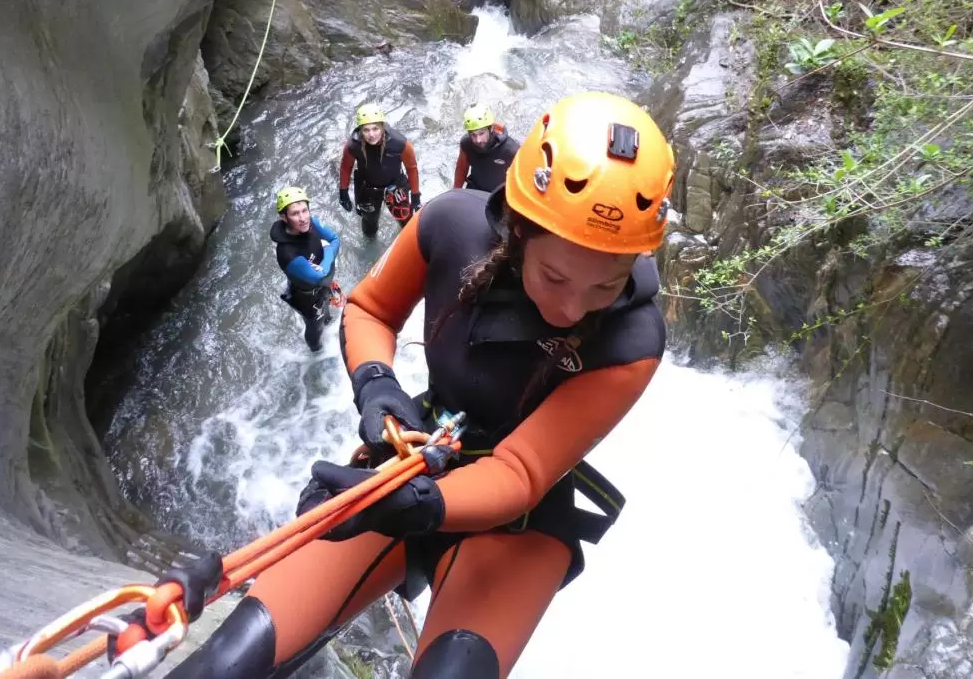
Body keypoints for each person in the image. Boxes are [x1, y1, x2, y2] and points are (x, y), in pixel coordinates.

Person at [166, 91, 676, 679]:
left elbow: (521, 472)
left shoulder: (633, 339)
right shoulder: (452, 226)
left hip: (518, 520)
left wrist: (419, 503)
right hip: (412, 459)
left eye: (604, 289)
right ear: (519, 229)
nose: (569, 308)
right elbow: (372, 309)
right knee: (226, 662)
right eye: (555, 275)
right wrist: (377, 383)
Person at [271, 186, 341, 353]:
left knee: (327, 315)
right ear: (284, 217)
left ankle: (329, 323)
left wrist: (325, 259)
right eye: (295, 214)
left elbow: (335, 239)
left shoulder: (311, 224)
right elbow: (321, 276)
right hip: (306, 298)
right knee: (315, 325)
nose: (303, 218)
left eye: (305, 210)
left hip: (320, 284)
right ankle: (316, 351)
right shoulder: (288, 253)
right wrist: (328, 256)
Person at [338, 103, 422, 237]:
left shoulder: (400, 143)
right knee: (369, 227)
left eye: (375, 129)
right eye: (366, 130)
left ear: (382, 127)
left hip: (395, 185)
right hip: (367, 187)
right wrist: (343, 193)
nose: (371, 134)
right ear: (360, 130)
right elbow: (345, 167)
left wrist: (416, 198)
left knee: (406, 223)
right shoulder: (353, 145)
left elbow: (412, 169)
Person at [451, 103, 520, 193]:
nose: (478, 140)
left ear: (491, 128)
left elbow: (521, 180)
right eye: (473, 135)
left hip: (498, 197)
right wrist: (455, 192)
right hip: (474, 190)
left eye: (481, 133)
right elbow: (461, 168)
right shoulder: (466, 143)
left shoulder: (511, 150)